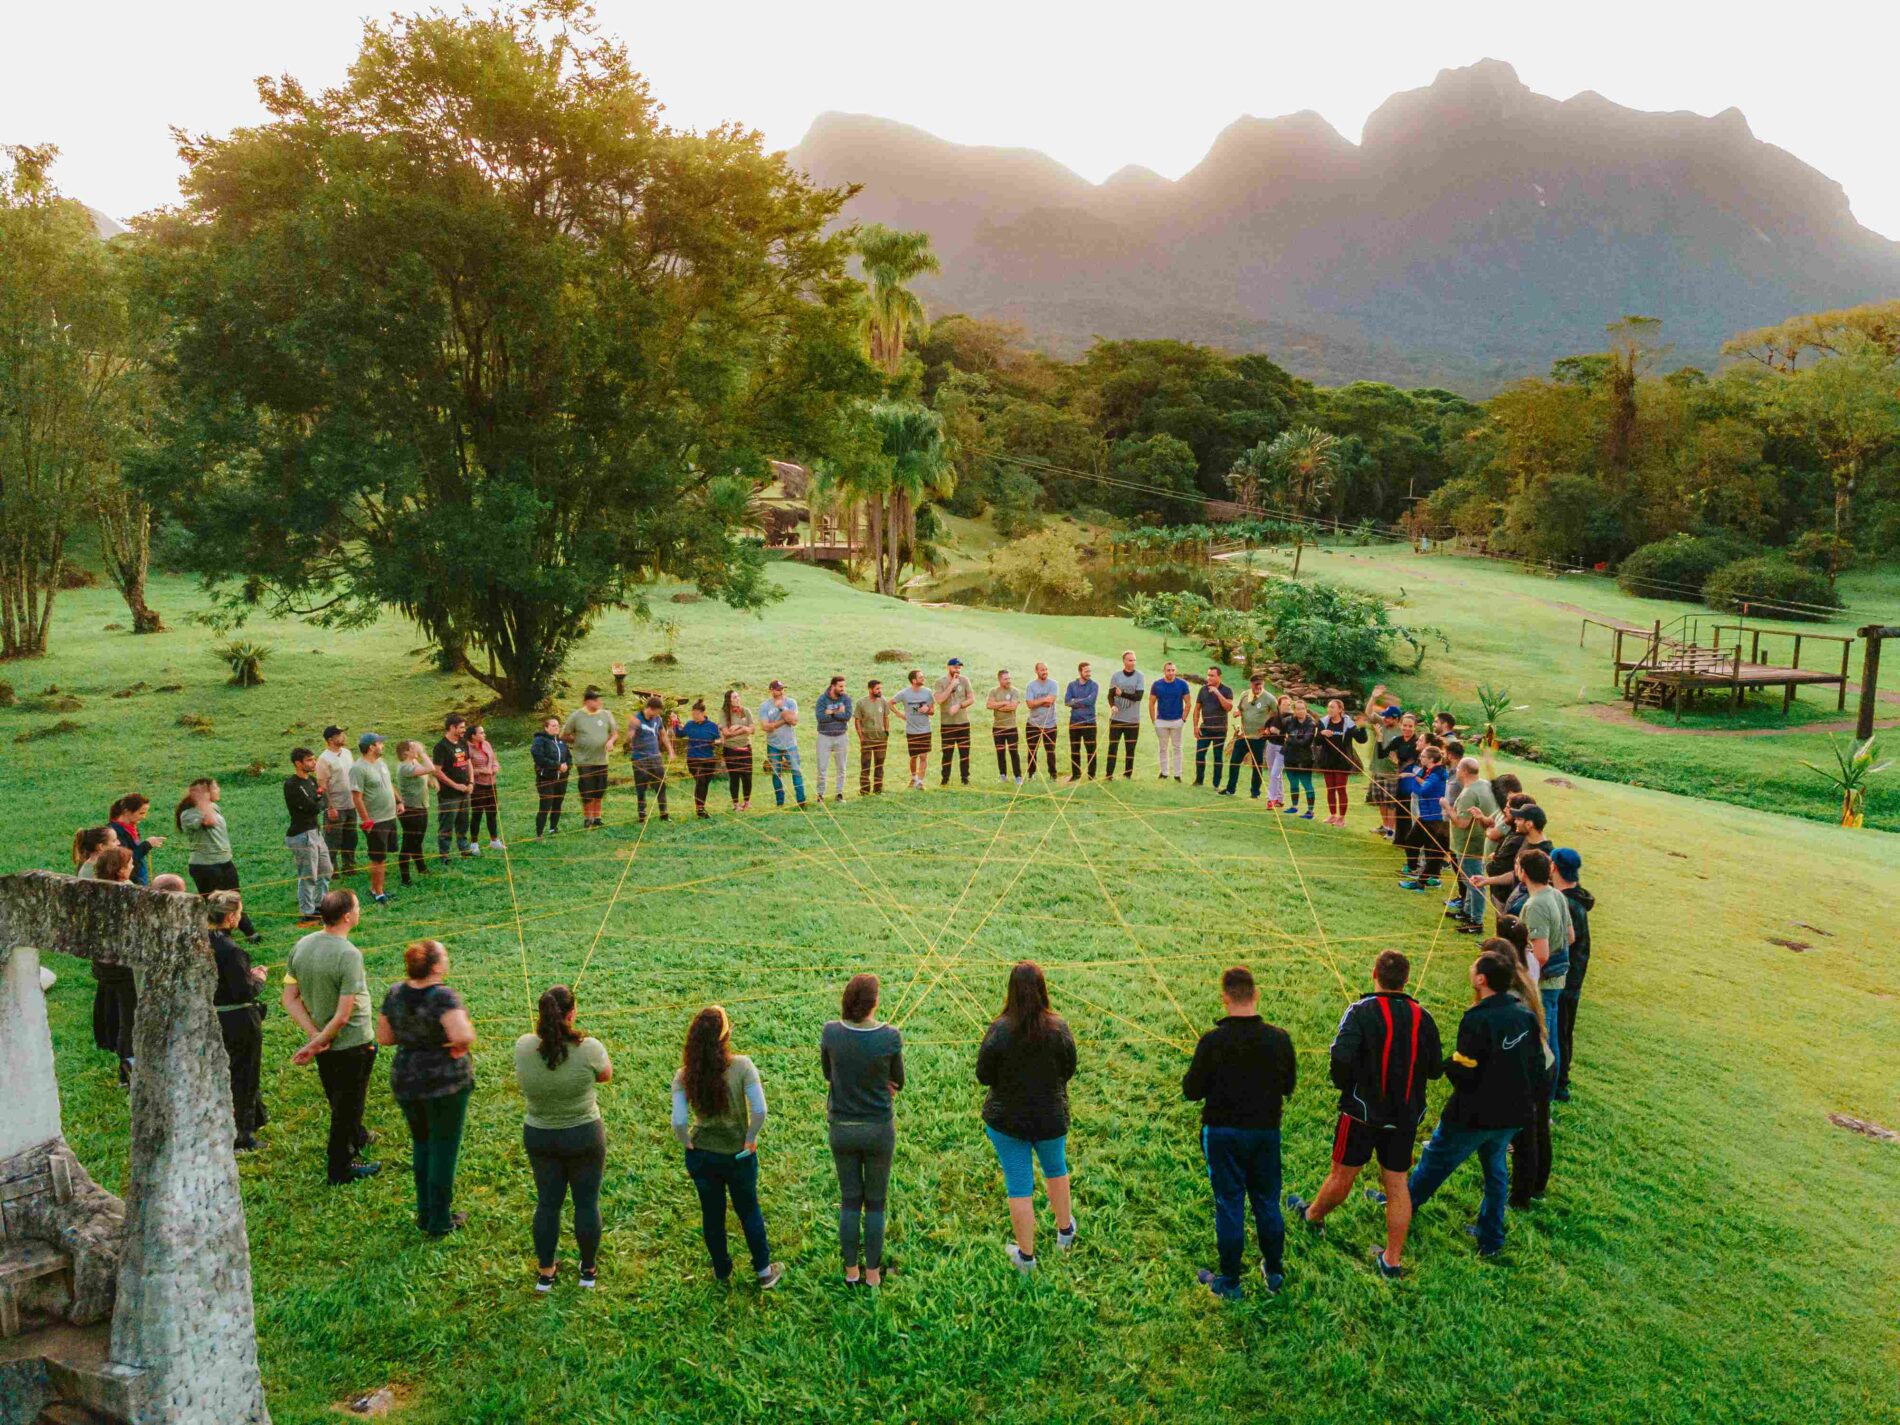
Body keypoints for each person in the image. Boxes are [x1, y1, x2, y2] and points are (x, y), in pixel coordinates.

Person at [1286, 950, 1442, 1278]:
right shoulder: (1423, 1016)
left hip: (1361, 1113)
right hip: (1404, 1117)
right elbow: (1435, 1069)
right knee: (1397, 1184)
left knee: (1342, 1174)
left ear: (1374, 974)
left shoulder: (1360, 1010)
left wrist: (1347, 1085)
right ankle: (1391, 1260)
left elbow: (1340, 1058)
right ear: (1406, 980)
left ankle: (1313, 1217)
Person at [1390, 947, 1547, 1259]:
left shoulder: (1478, 1019)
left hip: (1473, 1115)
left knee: (1435, 1161)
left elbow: (1465, 1071)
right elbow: (1536, 1064)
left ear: (1481, 979)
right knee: (1496, 1173)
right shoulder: (1524, 1015)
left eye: (1474, 967)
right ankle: (1491, 1238)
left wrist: (1442, 1066)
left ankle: (1401, 1207)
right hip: (1511, 1116)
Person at [1181, 965, 1297, 1299]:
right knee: (1266, 1200)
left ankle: (1230, 1282)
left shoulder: (1213, 1041)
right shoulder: (1279, 1039)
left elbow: (1191, 1090)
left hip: (1222, 1135)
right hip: (1265, 1134)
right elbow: (1288, 1085)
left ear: (1225, 998)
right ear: (1255, 995)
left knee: (1229, 1202)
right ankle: (1274, 1272)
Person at [976, 962, 1078, 1273]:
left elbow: (983, 1074)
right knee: (1055, 1170)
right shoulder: (1058, 1027)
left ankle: (1026, 1257)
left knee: (1019, 1186)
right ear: (1042, 989)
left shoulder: (1000, 1029)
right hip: (1050, 1119)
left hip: (1008, 1123)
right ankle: (1065, 1233)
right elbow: (1069, 1068)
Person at [672, 1006, 783, 1288]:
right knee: (748, 1210)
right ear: (725, 1036)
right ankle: (763, 1271)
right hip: (738, 1154)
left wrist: (688, 1142)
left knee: (712, 1213)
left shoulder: (684, 1075)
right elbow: (759, 1109)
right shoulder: (742, 1066)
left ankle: (721, 1270)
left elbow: (679, 1121)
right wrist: (751, 1137)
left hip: (703, 1156)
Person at [376, 939, 475, 1236]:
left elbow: (384, 1037)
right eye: (444, 955)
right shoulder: (443, 996)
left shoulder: (395, 993)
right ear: (434, 966)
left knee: (422, 1145)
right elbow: (463, 1035)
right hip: (444, 1083)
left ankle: (425, 1213)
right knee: (444, 1149)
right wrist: (453, 1043)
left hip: (406, 1078)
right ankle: (441, 1220)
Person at [516, 985, 612, 1291]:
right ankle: (588, 1270)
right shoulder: (590, 1048)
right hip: (584, 1134)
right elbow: (605, 1074)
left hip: (540, 1135)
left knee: (547, 1204)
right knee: (586, 1203)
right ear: (571, 1014)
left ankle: (546, 1272)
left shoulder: (523, 1046)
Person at [282, 889, 381, 1186]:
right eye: (358, 907)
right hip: (352, 1042)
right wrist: (319, 1041)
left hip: (326, 1044)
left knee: (339, 1095)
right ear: (348, 916)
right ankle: (341, 1166)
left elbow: (289, 998)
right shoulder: (349, 955)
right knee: (348, 1104)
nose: (360, 911)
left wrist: (316, 1037)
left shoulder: (302, 944)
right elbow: (343, 1014)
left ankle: (358, 1135)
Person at [821, 973, 905, 1287]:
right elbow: (899, 1081)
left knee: (850, 1200)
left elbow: (829, 1074)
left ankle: (851, 1273)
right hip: (878, 1130)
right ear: (874, 1003)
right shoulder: (890, 1036)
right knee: (876, 1203)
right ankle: (872, 1277)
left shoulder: (830, 1032)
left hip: (841, 1129)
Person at [208, 891, 269, 1151]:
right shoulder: (231, 951)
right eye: (240, 913)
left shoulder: (201, 941)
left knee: (228, 1070)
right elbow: (244, 990)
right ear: (231, 917)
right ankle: (242, 1135)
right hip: (238, 1018)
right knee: (244, 1073)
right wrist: (258, 978)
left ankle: (255, 1115)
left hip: (214, 1015)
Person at [176, 778, 260, 941]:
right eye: (215, 788)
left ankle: (248, 931)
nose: (219, 790)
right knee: (217, 904)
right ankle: (221, 937)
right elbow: (209, 821)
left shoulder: (214, 807)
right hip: (205, 866)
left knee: (234, 897)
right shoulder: (188, 814)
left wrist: (206, 803)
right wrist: (202, 802)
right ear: (205, 794)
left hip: (225, 862)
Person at [88, 846, 138, 1085]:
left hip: (102, 963)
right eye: (128, 864)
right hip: (123, 966)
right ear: (119, 870)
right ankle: (128, 1071)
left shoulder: (94, 890)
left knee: (117, 1013)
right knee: (130, 1018)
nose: (133, 866)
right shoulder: (127, 894)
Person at [1551, 849, 1594, 1102]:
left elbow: (1566, 942)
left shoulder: (1568, 904)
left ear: (1555, 868)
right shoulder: (1570, 899)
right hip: (1569, 978)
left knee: (1561, 1031)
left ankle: (1560, 1084)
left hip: (1566, 980)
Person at [347, 733, 403, 907]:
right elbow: (357, 797)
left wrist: (399, 801)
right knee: (378, 858)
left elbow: (389, 784)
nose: (383, 746)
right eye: (380, 743)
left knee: (383, 856)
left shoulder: (381, 763)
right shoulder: (358, 768)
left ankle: (377, 888)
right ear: (371, 747)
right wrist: (366, 820)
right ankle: (378, 893)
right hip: (375, 820)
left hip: (389, 816)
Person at [1448, 757, 1500, 933]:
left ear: (1463, 771)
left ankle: (1476, 922)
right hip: (1480, 841)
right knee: (1468, 878)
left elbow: (1462, 823)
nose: (1456, 771)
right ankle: (1467, 912)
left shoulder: (1469, 793)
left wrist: (1447, 808)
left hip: (1469, 844)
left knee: (1474, 881)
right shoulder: (1485, 785)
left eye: (1458, 769)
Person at [283, 748, 332, 928]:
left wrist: (319, 800)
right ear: (298, 763)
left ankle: (321, 905)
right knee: (308, 875)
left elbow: (323, 801)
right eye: (310, 760)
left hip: (315, 832)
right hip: (302, 834)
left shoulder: (310, 781)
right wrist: (319, 801)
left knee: (326, 870)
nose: (314, 763)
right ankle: (307, 912)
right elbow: (311, 806)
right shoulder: (292, 785)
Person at [562, 687, 619, 829]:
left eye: (599, 699)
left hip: (602, 760)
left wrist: (611, 741)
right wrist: (577, 740)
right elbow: (564, 735)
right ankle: (588, 818)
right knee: (587, 790)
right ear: (587, 702)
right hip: (584, 760)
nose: (599, 702)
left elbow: (615, 733)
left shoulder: (606, 715)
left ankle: (597, 817)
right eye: (596, 700)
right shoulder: (576, 716)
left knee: (600, 789)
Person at [1396, 744, 1451, 891]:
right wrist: (1414, 777)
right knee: (1412, 841)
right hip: (1426, 815)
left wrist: (1415, 781)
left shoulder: (1437, 774)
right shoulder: (1428, 770)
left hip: (1434, 817)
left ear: (1432, 759)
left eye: (1424, 757)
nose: (1421, 758)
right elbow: (1420, 779)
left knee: (1430, 849)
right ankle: (1416, 869)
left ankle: (1431, 878)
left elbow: (1423, 790)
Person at [315, 725, 359, 877]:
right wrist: (330, 807)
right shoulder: (324, 759)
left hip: (351, 803)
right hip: (336, 806)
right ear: (330, 739)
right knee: (333, 839)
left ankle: (349, 865)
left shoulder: (347, 753)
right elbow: (323, 786)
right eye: (340, 735)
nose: (343, 737)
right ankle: (331, 868)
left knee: (351, 837)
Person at [1314, 699, 1366, 827]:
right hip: (1328, 760)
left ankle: (1341, 818)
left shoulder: (1348, 723)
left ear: (1340, 710)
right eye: (1328, 707)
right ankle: (1332, 815)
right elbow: (1317, 742)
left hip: (1342, 761)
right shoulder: (1324, 722)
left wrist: (1362, 727)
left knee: (1340, 789)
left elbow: (1361, 740)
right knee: (1330, 789)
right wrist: (1322, 733)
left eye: (1332, 707)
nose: (1329, 709)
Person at [1221, 673, 1274, 799]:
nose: (1258, 687)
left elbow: (1276, 715)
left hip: (1258, 738)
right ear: (1251, 684)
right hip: (1243, 736)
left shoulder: (1269, 698)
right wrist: (1237, 712)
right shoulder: (1245, 695)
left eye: (1260, 685)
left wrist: (1268, 728)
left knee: (1257, 765)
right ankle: (1230, 789)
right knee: (1234, 762)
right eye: (1256, 685)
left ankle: (1255, 792)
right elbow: (1239, 709)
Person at [432, 714, 477, 859]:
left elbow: (468, 762)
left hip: (465, 791)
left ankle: (464, 849)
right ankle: (444, 854)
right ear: (452, 727)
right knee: (447, 824)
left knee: (463, 823)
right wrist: (456, 786)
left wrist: (470, 782)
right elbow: (437, 771)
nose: (464, 730)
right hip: (449, 795)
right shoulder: (441, 747)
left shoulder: (463, 743)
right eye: (461, 727)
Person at [758, 681, 806, 809]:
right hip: (773, 744)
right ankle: (780, 802)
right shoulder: (764, 706)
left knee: (796, 772)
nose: (781, 692)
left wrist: (781, 709)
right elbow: (765, 727)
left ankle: (801, 801)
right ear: (771, 690)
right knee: (776, 774)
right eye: (778, 689)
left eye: (782, 689)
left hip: (790, 744)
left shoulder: (791, 703)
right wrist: (784, 720)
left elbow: (794, 721)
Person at [1377, 711, 1422, 847]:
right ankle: (1400, 839)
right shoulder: (1398, 740)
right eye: (1405, 725)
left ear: (1415, 727)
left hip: (1411, 777)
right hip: (1401, 777)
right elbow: (1382, 754)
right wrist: (1379, 737)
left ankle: (1410, 840)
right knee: (1400, 808)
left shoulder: (1417, 742)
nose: (1407, 729)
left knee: (1408, 808)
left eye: (1410, 726)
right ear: (1401, 725)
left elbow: (1417, 761)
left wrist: (1398, 762)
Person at [394, 741, 434, 887]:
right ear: (406, 752)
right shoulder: (405, 767)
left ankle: (421, 868)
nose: (417, 749)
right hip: (410, 809)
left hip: (421, 806)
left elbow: (425, 772)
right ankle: (405, 878)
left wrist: (430, 781)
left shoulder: (413, 762)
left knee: (417, 840)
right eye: (413, 748)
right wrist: (422, 752)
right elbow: (430, 768)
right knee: (409, 842)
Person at [628, 696, 672, 822]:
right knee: (641, 787)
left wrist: (670, 750)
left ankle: (664, 813)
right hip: (640, 758)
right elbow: (628, 739)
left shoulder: (657, 719)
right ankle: (642, 814)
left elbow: (663, 735)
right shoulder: (637, 719)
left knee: (661, 785)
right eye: (657, 712)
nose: (658, 715)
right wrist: (631, 731)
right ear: (651, 709)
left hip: (655, 757)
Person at [933, 658, 976, 786]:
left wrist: (960, 705)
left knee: (964, 752)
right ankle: (945, 778)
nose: (957, 670)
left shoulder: (964, 680)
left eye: (959, 668)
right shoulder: (940, 682)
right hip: (947, 724)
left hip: (963, 722)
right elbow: (939, 700)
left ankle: (965, 778)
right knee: (947, 753)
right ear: (948, 667)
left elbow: (971, 698)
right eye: (955, 667)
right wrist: (951, 685)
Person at [108, 794, 164, 886]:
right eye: (141, 813)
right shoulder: (114, 832)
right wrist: (147, 845)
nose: (144, 817)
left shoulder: (131, 828)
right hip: (129, 882)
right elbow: (123, 860)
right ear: (126, 812)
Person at [1105, 651, 1145, 779]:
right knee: (1113, 747)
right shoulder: (1116, 676)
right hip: (1116, 719)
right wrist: (1113, 705)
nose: (1132, 663)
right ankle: (1109, 774)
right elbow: (1110, 695)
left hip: (1132, 720)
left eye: (1134, 660)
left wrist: (1122, 694)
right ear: (1124, 661)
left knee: (1130, 749)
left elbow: (1138, 697)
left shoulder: (1140, 676)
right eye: (1130, 660)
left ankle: (1127, 774)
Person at [1149, 661, 1191, 782]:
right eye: (1168, 670)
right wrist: (1154, 720)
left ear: (1175, 671)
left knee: (1177, 747)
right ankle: (1164, 772)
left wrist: (1183, 719)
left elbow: (1188, 703)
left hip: (1177, 721)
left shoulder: (1182, 684)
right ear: (1164, 671)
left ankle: (1177, 774)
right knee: (1163, 748)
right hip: (1161, 721)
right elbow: (1151, 703)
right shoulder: (1157, 685)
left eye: (1173, 670)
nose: (1171, 672)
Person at [531, 717, 573, 836]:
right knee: (546, 805)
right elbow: (538, 757)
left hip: (562, 778)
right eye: (553, 725)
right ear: (546, 728)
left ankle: (553, 828)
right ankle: (539, 833)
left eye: (557, 725)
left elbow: (568, 757)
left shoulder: (561, 742)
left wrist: (567, 766)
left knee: (558, 803)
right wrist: (557, 765)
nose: (556, 727)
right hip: (546, 779)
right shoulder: (540, 740)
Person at [813, 675, 853, 802]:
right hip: (824, 736)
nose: (843, 689)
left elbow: (847, 716)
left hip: (841, 736)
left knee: (842, 767)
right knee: (822, 767)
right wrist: (838, 712)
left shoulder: (846, 699)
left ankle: (839, 794)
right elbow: (820, 717)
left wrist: (831, 712)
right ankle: (820, 795)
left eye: (844, 686)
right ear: (833, 686)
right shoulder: (822, 699)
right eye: (840, 686)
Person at [894, 670, 936, 790]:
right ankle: (913, 778)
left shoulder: (928, 693)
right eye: (920, 677)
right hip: (911, 730)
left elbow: (932, 711)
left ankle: (920, 782)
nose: (923, 678)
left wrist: (927, 710)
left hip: (925, 729)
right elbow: (890, 703)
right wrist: (900, 714)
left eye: (923, 676)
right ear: (913, 680)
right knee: (914, 756)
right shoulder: (904, 693)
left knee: (924, 756)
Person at [681, 700, 723, 817]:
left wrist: (714, 741)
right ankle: (699, 810)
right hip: (693, 759)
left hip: (709, 760)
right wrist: (673, 723)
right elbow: (679, 733)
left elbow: (721, 740)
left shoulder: (712, 726)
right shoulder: (689, 725)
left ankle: (701, 807)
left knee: (704, 784)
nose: (694, 716)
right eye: (692, 714)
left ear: (703, 713)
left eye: (696, 714)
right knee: (701, 780)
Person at [1193, 667, 1233, 789]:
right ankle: (1199, 780)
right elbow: (1197, 709)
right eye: (1208, 675)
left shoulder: (1227, 690)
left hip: (1220, 729)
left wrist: (1217, 692)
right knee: (1200, 754)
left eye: (1212, 675)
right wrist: (1195, 726)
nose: (1209, 678)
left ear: (1219, 677)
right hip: (1205, 728)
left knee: (1217, 757)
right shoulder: (1203, 690)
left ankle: (1216, 784)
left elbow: (1228, 707)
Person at [1280, 698, 1319, 818]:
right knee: (1293, 783)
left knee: (1307, 784)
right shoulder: (1289, 721)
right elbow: (1280, 731)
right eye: (1297, 709)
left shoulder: (1311, 723)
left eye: (1302, 709)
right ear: (1294, 710)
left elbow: (1305, 742)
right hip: (1290, 756)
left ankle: (1310, 811)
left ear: (1306, 710)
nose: (1300, 711)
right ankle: (1294, 806)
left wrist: (1290, 737)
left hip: (1304, 758)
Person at [467, 724, 504, 851]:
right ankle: (474, 843)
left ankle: (494, 840)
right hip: (478, 785)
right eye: (481, 733)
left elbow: (494, 759)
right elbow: (467, 769)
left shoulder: (487, 744)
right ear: (473, 736)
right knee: (477, 814)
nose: (484, 734)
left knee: (492, 812)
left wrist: (494, 767)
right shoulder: (468, 749)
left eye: (484, 732)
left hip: (491, 783)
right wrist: (480, 771)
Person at [853, 678, 892, 796]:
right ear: (870, 689)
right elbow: (857, 720)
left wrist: (886, 732)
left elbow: (886, 717)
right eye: (877, 689)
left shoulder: (883, 701)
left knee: (880, 764)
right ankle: (864, 790)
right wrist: (861, 736)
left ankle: (878, 789)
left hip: (881, 738)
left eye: (881, 688)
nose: (880, 691)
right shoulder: (861, 703)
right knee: (865, 764)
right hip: (867, 738)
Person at [718, 690, 755, 810]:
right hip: (731, 749)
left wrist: (740, 727)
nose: (738, 698)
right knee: (734, 777)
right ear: (729, 700)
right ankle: (735, 804)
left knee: (747, 776)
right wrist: (745, 729)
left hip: (746, 747)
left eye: (738, 696)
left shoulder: (746, 711)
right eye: (735, 697)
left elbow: (752, 729)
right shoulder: (724, 713)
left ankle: (747, 802)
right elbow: (726, 733)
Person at [1023, 662, 1060, 781]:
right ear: (1036, 671)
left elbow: (1050, 701)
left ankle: (1053, 775)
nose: (1044, 672)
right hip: (1033, 724)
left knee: (1050, 751)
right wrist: (1043, 700)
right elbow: (1029, 704)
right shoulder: (1031, 686)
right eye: (1042, 670)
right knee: (1032, 751)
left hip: (1050, 723)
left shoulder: (1054, 684)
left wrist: (1037, 701)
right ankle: (1031, 774)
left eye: (1046, 669)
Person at [1064, 662, 1100, 782]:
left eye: (1090, 671)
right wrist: (1081, 701)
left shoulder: (1094, 685)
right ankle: (1076, 774)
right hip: (1074, 722)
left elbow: (1091, 701)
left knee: (1091, 749)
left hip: (1089, 722)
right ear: (1080, 672)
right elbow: (1067, 701)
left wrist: (1075, 701)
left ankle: (1091, 775)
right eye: (1086, 671)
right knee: (1075, 749)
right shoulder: (1071, 685)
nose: (1089, 673)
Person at [987, 669, 1024, 785]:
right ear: (999, 679)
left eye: (1009, 678)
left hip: (1011, 727)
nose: (1008, 681)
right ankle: (1003, 775)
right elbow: (989, 705)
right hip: (997, 727)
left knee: (1014, 752)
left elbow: (1012, 707)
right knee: (1000, 752)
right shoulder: (993, 691)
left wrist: (997, 706)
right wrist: (1003, 703)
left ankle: (1018, 777)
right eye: (1005, 679)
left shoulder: (1015, 691)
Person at [1262, 694, 1293, 809]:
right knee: (1273, 773)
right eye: (1284, 704)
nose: (1287, 706)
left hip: (1283, 748)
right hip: (1271, 745)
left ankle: (1271, 799)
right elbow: (1266, 727)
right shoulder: (1274, 716)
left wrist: (1278, 731)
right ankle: (1280, 798)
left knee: (1275, 773)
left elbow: (1290, 734)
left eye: (1289, 704)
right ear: (1279, 706)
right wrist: (1267, 731)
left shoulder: (1292, 719)